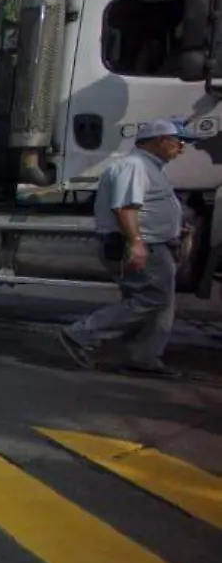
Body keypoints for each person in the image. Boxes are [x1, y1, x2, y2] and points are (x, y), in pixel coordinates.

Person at [58, 117, 203, 379]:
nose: (182, 148)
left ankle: (143, 358)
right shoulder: (134, 166)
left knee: (159, 302)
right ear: (159, 141)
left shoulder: (150, 167)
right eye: (179, 142)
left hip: (155, 243)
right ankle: (81, 333)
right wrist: (137, 243)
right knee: (152, 298)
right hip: (141, 244)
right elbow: (125, 207)